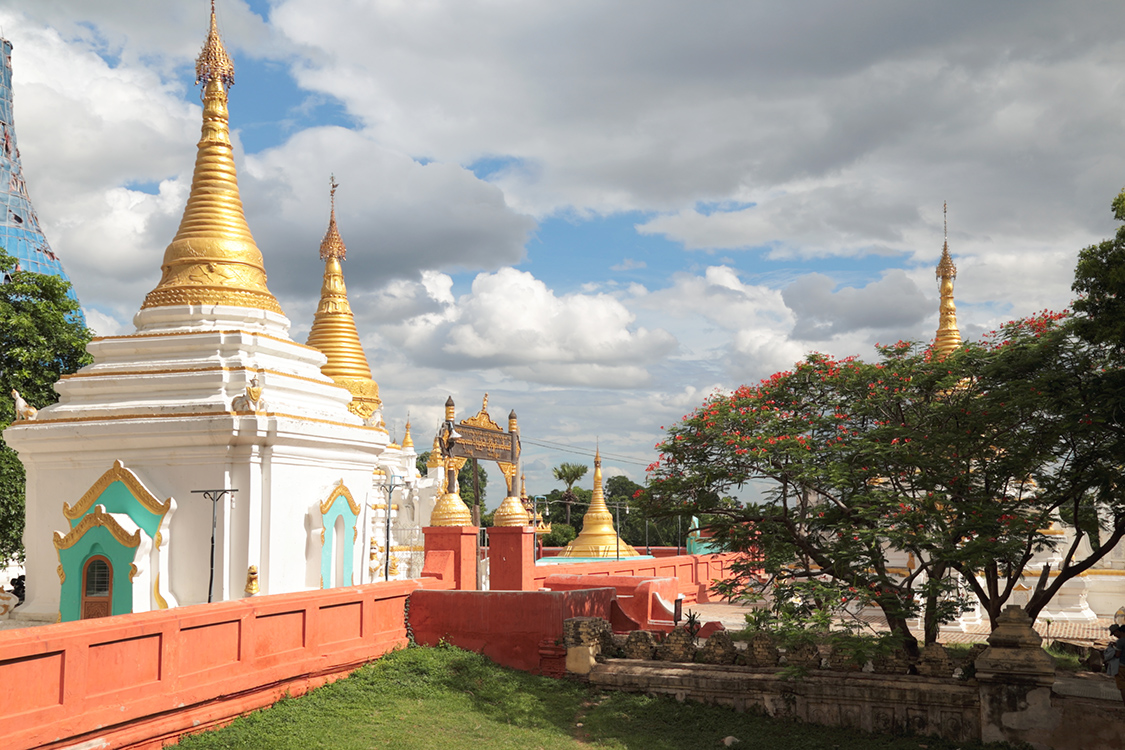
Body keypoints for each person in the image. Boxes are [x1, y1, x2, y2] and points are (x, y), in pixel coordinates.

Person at [1105, 624, 1125, 707]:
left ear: (1117, 631)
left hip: (1122, 666)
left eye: (1114, 634)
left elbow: (1117, 654)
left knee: (1122, 686)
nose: (1115, 636)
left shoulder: (1120, 641)